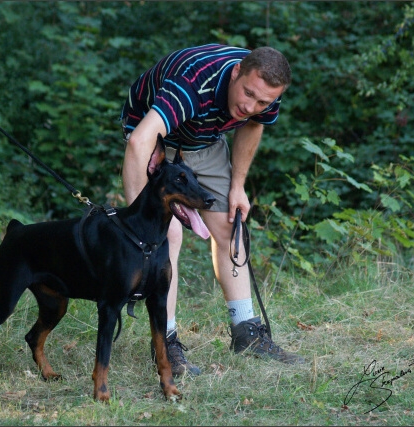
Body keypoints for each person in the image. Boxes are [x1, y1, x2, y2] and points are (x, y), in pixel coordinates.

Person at [120, 43, 306, 376]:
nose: (250, 105)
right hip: (157, 140)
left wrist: (238, 186)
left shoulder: (265, 92)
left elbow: (253, 125)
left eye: (262, 101)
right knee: (167, 237)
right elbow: (139, 141)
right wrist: (141, 220)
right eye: (247, 93)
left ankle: (247, 332)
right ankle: (167, 343)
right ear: (237, 72)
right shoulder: (195, 83)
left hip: (203, 142)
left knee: (231, 225)